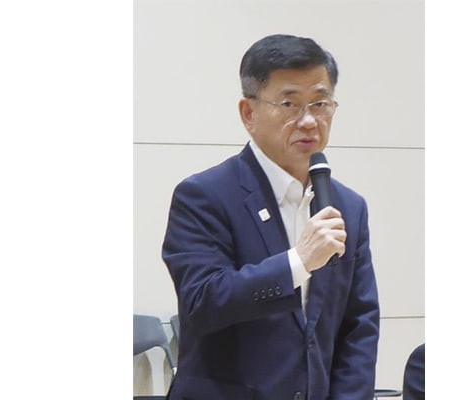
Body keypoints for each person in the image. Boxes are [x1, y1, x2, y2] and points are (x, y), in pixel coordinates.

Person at [162, 34, 380, 400]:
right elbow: (203, 302)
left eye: (320, 103)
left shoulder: (348, 206)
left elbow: (359, 324)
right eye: (289, 104)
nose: (308, 121)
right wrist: (298, 262)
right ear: (249, 113)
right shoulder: (204, 195)